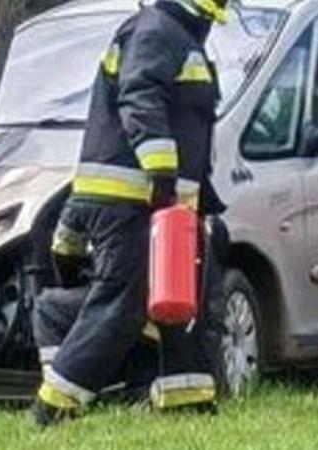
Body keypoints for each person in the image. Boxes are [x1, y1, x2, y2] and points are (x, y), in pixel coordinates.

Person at [32, 0, 229, 426]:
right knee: (123, 304)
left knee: (175, 304)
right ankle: (55, 404)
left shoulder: (174, 34)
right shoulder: (156, 31)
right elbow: (140, 97)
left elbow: (186, 124)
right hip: (133, 200)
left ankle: (187, 399)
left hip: (156, 202)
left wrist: (195, 194)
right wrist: (161, 172)